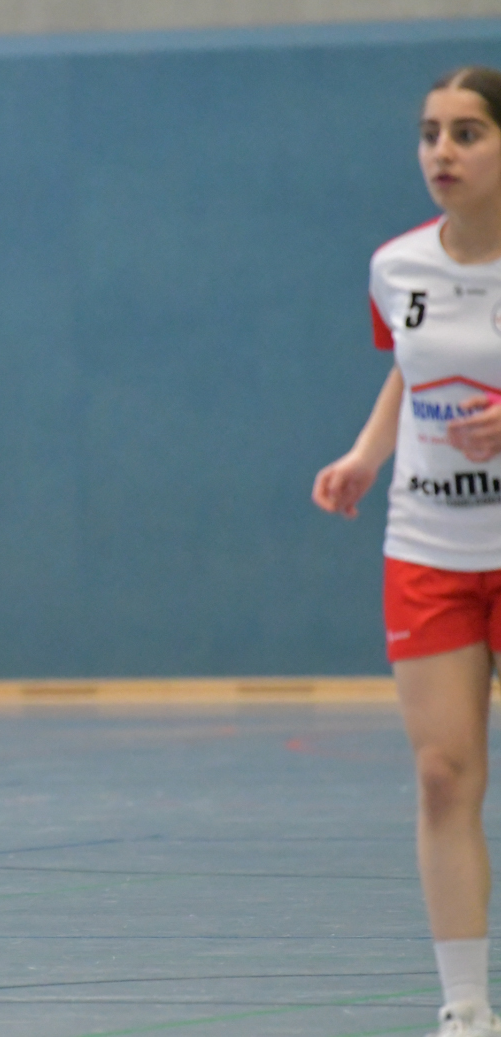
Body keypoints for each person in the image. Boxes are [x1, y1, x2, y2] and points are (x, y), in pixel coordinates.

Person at [313, 67, 501, 1037]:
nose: (442, 151)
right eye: (430, 132)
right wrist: (364, 454)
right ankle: (465, 1006)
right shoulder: (396, 267)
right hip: (428, 545)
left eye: (467, 132)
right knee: (441, 774)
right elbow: (409, 368)